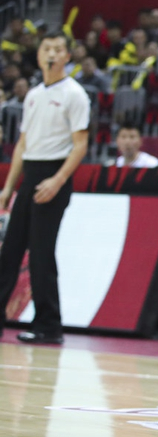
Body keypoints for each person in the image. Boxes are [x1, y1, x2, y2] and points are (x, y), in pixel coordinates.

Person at [0, 32, 90, 344]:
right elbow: (22, 144)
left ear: (67, 56)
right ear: (39, 56)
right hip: (30, 174)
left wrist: (58, 180)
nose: (51, 54)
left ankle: (49, 326)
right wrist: (8, 187)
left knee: (40, 254)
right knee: (9, 252)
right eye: (46, 48)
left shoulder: (75, 94)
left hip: (54, 174)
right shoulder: (34, 94)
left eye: (57, 49)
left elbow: (80, 145)